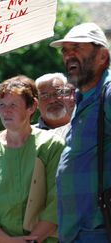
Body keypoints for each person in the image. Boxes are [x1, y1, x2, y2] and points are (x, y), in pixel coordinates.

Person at [0, 75, 65, 242]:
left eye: (13, 105)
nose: (6, 111)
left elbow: (58, 200)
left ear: (32, 107)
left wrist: (33, 240)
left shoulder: (51, 145)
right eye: (2, 105)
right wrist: (7, 240)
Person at [50, 22, 111, 242]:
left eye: (78, 47)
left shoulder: (108, 93)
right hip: (78, 231)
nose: (69, 55)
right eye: (65, 50)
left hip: (100, 230)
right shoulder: (83, 97)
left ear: (103, 56)